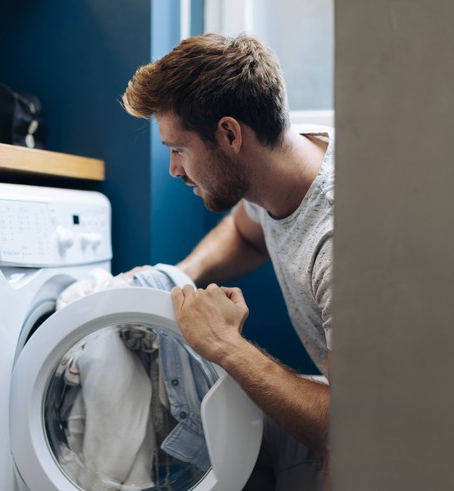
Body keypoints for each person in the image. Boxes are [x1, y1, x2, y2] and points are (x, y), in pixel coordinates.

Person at [121, 33, 333, 490]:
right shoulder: (279, 166)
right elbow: (245, 233)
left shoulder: (337, 241)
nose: (175, 170)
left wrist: (225, 345)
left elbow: (357, 426)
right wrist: (180, 276)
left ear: (230, 134)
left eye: (178, 150)